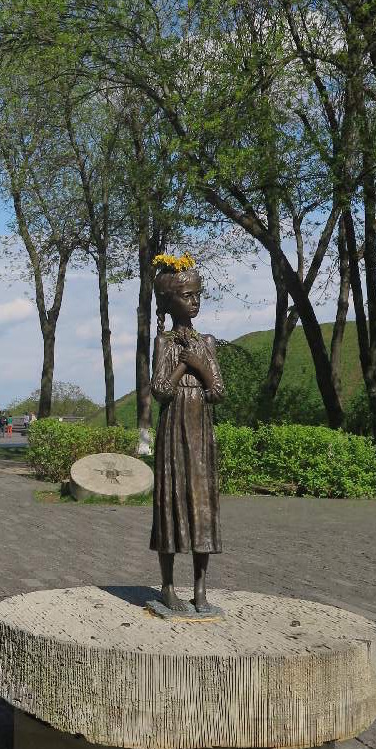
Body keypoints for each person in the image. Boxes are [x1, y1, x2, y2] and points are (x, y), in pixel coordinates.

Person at [150, 254, 225, 614]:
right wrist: (184, 364)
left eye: (197, 294)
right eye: (187, 295)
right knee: (170, 502)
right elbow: (160, 390)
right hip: (172, 430)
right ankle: (167, 586)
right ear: (169, 301)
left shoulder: (206, 341)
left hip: (199, 431)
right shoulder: (164, 343)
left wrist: (201, 367)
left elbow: (218, 391)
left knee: (202, 504)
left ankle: (200, 587)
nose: (194, 301)